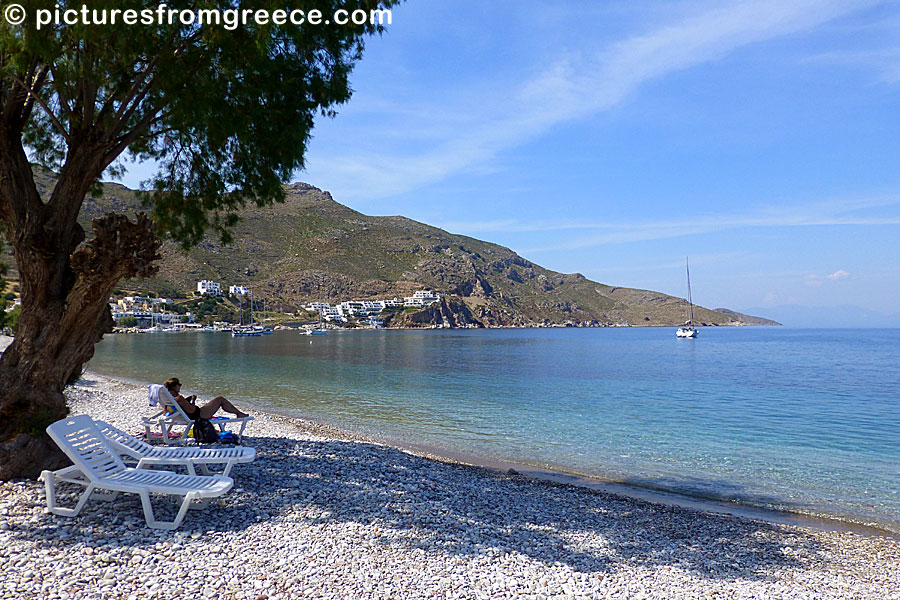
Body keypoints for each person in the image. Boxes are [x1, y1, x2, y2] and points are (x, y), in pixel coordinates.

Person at [163, 377, 249, 420]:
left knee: (219, 399)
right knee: (220, 399)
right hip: (199, 415)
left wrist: (187, 400)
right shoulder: (179, 398)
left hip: (189, 415)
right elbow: (191, 410)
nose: (180, 387)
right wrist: (193, 400)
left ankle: (239, 413)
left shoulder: (169, 398)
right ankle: (239, 413)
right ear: (174, 386)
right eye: (179, 385)